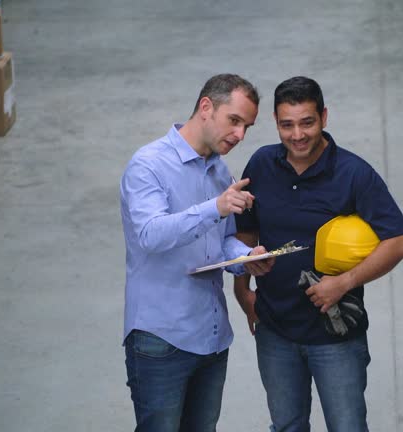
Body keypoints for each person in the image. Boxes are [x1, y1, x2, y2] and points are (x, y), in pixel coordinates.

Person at [233, 76, 403, 431]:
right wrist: (243, 292)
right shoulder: (261, 165)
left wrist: (344, 282)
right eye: (287, 124)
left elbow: (400, 240)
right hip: (275, 330)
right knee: (286, 426)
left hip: (335, 337)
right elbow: (245, 229)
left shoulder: (353, 174)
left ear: (324, 118)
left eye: (307, 122)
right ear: (275, 122)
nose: (297, 135)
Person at [119, 73, 274, 432]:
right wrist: (215, 208)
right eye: (234, 121)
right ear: (206, 107)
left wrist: (246, 259)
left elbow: (218, 243)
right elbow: (150, 234)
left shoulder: (220, 172)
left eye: (247, 126)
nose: (240, 135)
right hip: (161, 340)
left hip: (211, 339)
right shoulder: (148, 165)